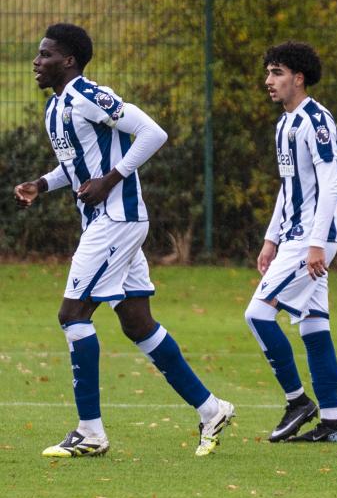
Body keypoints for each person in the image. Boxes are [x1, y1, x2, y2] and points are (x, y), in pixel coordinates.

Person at [14, 23, 234, 458]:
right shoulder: (56, 108)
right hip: (107, 220)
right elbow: (78, 167)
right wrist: (41, 183)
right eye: (38, 55)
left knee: (72, 313)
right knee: (136, 322)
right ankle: (211, 409)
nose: (37, 62)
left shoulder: (90, 96)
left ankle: (90, 432)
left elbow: (153, 133)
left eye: (46, 55)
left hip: (117, 218)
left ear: (69, 61)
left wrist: (111, 179)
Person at [244, 41, 337, 443]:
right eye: (269, 73)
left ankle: (298, 401)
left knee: (257, 315)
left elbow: (330, 184)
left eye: (277, 73)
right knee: (314, 326)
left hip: (309, 241)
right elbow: (290, 189)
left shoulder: (315, 122)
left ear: (298, 78)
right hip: (293, 238)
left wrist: (317, 243)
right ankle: (332, 424)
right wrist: (270, 239)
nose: (269, 81)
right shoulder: (285, 123)